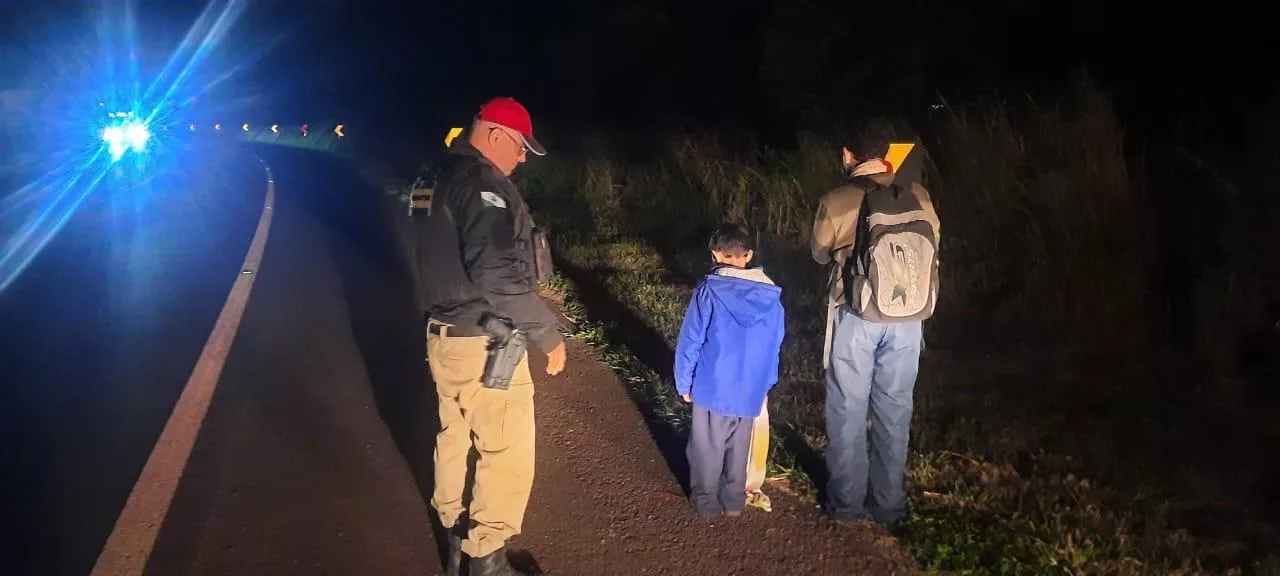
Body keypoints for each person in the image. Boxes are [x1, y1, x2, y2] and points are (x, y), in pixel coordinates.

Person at [413, 96, 567, 576]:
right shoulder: (482, 185)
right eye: (520, 146)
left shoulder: (435, 175)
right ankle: (487, 559)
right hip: (484, 342)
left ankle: (453, 535)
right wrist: (547, 334)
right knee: (505, 452)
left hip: (445, 338)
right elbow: (497, 274)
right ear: (495, 134)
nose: (522, 158)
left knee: (455, 437)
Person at [811, 133, 941, 527]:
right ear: (886, 156)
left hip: (856, 314)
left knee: (848, 408)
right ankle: (888, 505)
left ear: (848, 154)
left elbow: (819, 253)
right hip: (909, 318)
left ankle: (847, 505)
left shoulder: (838, 199)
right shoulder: (918, 193)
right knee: (895, 407)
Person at [675, 224, 786, 519]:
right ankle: (734, 501)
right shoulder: (771, 297)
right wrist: (766, 385)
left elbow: (691, 339)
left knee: (707, 447)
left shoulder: (709, 290)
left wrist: (684, 382)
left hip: (712, 385)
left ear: (715, 254)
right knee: (740, 447)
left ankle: (706, 502)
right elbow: (774, 346)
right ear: (748, 255)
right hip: (750, 388)